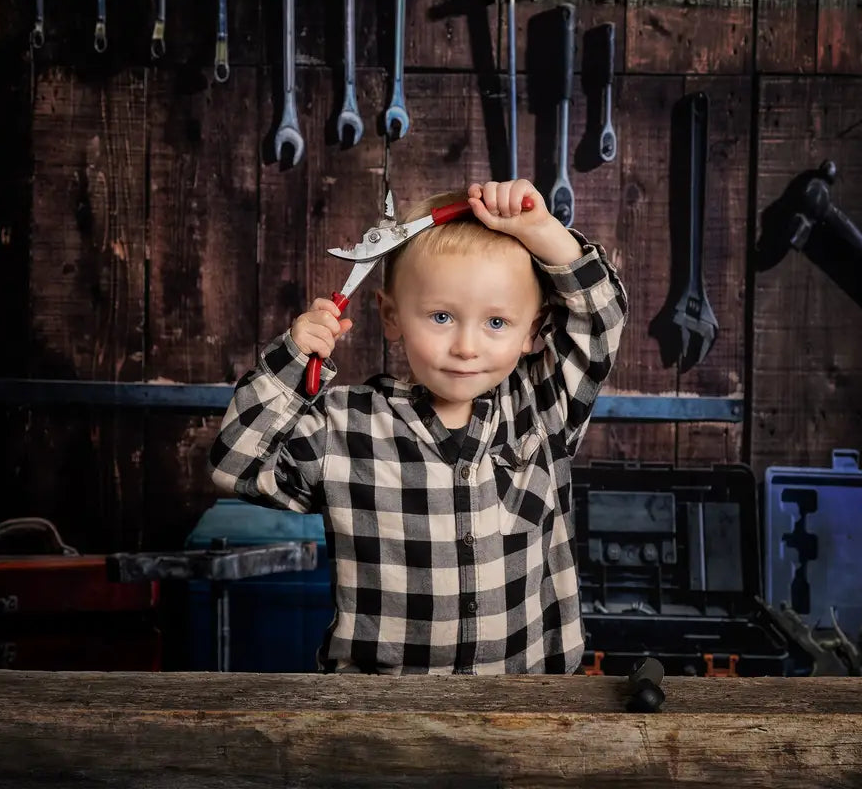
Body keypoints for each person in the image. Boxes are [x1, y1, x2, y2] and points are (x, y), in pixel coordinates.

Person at [208, 178, 627, 675]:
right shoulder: (343, 426)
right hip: (379, 714)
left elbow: (597, 318)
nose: (467, 346)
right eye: (442, 316)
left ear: (533, 330)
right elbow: (237, 466)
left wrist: (543, 230)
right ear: (392, 317)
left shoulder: (542, 404)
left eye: (496, 323)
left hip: (528, 701)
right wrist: (292, 362)